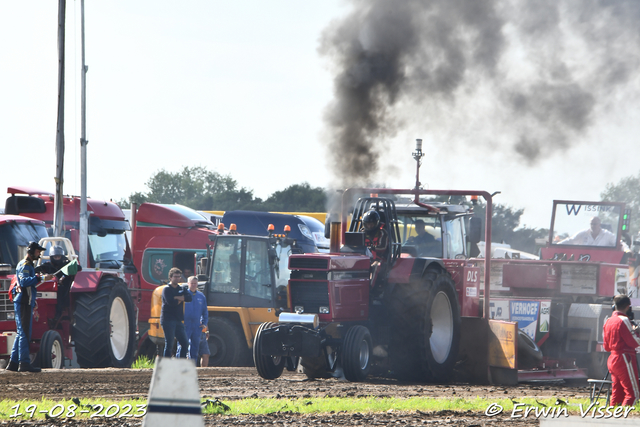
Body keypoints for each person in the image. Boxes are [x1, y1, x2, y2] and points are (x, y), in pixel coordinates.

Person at [6, 242, 53, 372]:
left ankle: (13, 363)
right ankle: (24, 363)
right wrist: (41, 278)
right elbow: (25, 281)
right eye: (38, 251)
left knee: (21, 333)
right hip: (24, 303)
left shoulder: (24, 264)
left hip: (24, 302)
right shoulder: (26, 265)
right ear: (32, 251)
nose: (39, 254)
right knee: (25, 333)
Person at [603, 294, 640, 406]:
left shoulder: (608, 321)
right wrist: (636, 332)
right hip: (624, 359)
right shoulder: (624, 320)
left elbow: (606, 346)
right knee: (633, 394)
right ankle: (625, 417)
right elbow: (635, 342)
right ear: (628, 306)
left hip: (612, 359)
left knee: (617, 393)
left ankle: (613, 416)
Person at [37, 245, 81, 327]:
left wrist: (65, 275)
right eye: (55, 257)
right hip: (49, 289)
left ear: (62, 256)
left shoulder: (67, 264)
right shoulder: (47, 265)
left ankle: (59, 313)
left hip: (65, 289)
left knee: (60, 289)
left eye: (58, 256)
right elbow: (36, 270)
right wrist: (44, 274)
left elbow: (78, 267)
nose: (57, 258)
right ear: (51, 257)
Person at [160, 267, 192, 358]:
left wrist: (177, 298)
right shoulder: (167, 289)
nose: (177, 278)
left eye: (179, 276)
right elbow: (171, 303)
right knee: (169, 344)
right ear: (170, 277)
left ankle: (180, 364)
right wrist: (182, 299)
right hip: (168, 320)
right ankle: (166, 365)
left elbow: (189, 298)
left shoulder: (181, 288)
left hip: (178, 320)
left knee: (185, 343)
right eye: (175, 276)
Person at [179, 276, 208, 363]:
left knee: (195, 347)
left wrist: (204, 323)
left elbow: (205, 311)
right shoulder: (183, 295)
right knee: (182, 346)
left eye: (195, 283)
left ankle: (192, 367)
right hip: (185, 325)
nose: (194, 285)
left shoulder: (201, 296)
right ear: (188, 284)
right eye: (192, 283)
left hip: (196, 325)